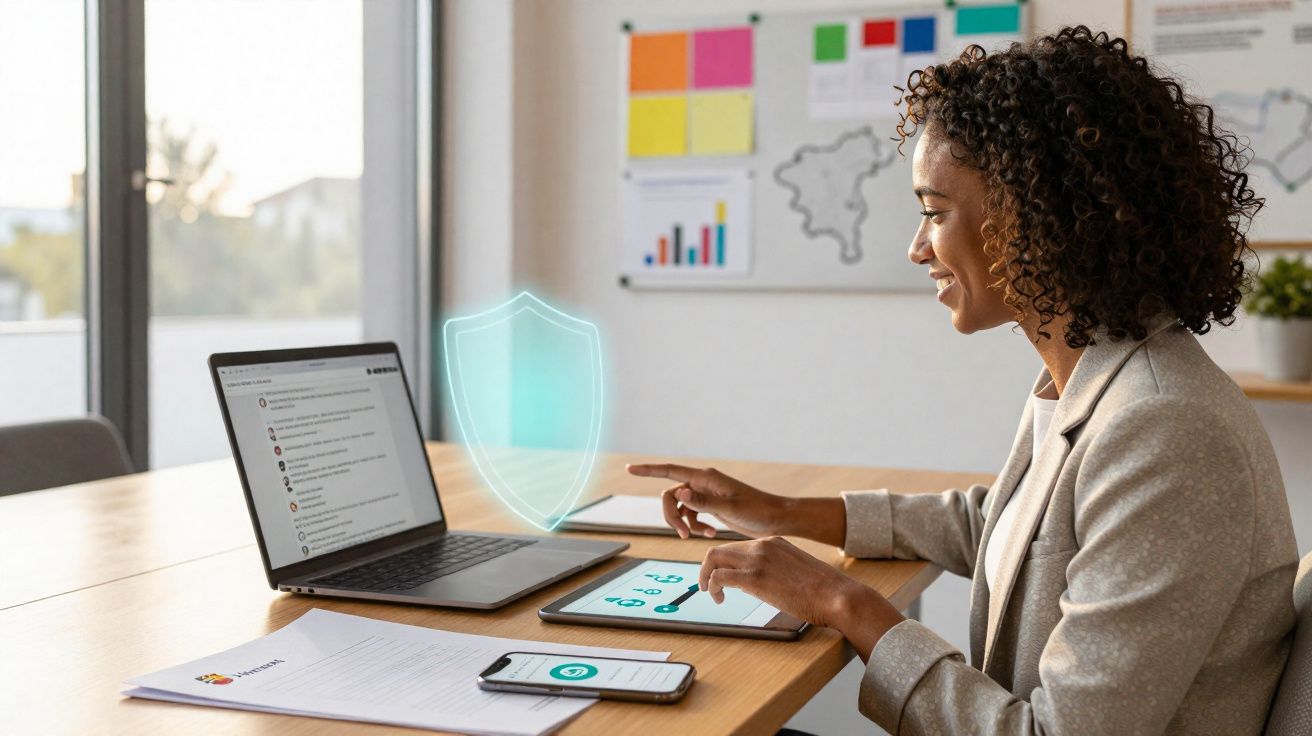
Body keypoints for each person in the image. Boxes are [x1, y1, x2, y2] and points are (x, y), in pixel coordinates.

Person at [628, 27, 1297, 735]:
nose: (918, 248)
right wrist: (783, 511)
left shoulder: (1164, 428)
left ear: (1039, 217)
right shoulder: (1100, 378)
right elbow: (1008, 525)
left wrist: (843, 602)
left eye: (934, 212)